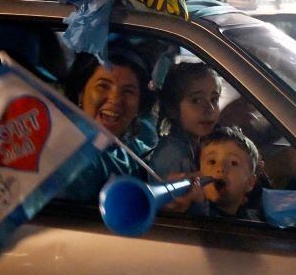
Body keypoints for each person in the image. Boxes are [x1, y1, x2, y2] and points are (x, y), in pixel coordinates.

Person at [60, 50, 152, 201]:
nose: (116, 100)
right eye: (103, 86)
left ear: (139, 105)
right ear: (81, 93)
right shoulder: (69, 156)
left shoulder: (129, 146)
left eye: (128, 91)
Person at [150, 62, 220, 212]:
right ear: (172, 108)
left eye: (214, 99)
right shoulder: (173, 156)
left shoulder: (197, 146)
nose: (210, 109)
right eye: (197, 100)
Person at [197, 125, 265, 220]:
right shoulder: (193, 214)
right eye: (212, 162)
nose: (220, 168)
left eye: (233, 163)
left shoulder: (251, 226)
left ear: (250, 183)